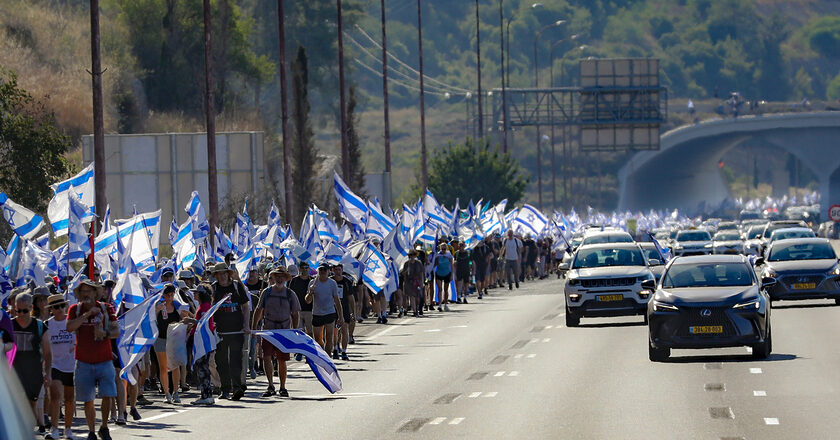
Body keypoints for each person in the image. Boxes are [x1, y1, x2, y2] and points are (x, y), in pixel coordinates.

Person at [66, 279, 119, 440]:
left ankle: (104, 426)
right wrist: (87, 314)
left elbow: (116, 331)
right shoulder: (75, 309)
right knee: (87, 399)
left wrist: (105, 334)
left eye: (89, 291)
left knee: (108, 394)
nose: (86, 294)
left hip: (104, 359)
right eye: (83, 292)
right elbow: (70, 327)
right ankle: (91, 431)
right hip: (83, 361)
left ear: (96, 293)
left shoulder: (106, 308)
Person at [251, 267, 299, 397]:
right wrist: (254, 327)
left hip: (284, 331)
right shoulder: (266, 292)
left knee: (282, 360)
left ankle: (282, 387)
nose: (279, 278)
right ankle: (270, 385)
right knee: (266, 357)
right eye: (277, 276)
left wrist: (294, 330)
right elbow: (258, 309)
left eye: (282, 276)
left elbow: (295, 313)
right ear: (273, 277)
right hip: (268, 330)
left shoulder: (290, 294)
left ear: (285, 278)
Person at [209, 263, 251, 401]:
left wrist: (246, 325)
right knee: (221, 361)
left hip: (236, 330)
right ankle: (225, 388)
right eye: (219, 274)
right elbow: (208, 310)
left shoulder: (237, 287)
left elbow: (245, 307)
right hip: (220, 332)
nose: (222, 276)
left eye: (224, 273)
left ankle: (237, 387)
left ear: (228, 274)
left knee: (235, 360)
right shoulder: (213, 289)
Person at [11, 292, 52, 429]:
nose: (21, 314)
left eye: (25, 310)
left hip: (34, 372)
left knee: (32, 403)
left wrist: (48, 373)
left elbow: (47, 353)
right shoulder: (9, 326)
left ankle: (33, 428)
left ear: (31, 308)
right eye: (18, 310)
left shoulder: (40, 326)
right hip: (14, 372)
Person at [45, 294, 75, 440]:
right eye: (55, 307)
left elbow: (78, 341)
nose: (59, 309)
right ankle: (54, 428)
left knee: (69, 398)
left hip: (70, 365)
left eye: (62, 306)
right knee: (55, 396)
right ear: (51, 309)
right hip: (54, 365)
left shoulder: (71, 323)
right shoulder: (47, 324)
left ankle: (68, 428)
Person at [154, 284, 191, 404]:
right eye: (167, 295)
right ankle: (166, 393)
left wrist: (183, 318)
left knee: (175, 365)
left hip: (174, 339)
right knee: (163, 367)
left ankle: (176, 391)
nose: (169, 297)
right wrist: (157, 310)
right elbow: (151, 320)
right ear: (163, 295)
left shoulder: (177, 306)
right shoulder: (158, 306)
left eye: (171, 295)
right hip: (161, 338)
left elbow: (185, 319)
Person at [305, 263, 343, 354]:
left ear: (328, 271)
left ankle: (328, 357)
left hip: (329, 312)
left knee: (329, 336)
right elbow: (307, 301)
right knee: (317, 338)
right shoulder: (312, 283)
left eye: (324, 270)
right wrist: (310, 293)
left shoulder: (332, 283)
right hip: (317, 313)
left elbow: (337, 300)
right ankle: (322, 354)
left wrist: (341, 316)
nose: (322, 272)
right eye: (320, 270)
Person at [190, 284, 217, 406]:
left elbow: (203, 323)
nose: (194, 294)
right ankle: (207, 394)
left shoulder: (205, 307)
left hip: (203, 340)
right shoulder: (203, 306)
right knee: (203, 367)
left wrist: (190, 321)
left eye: (196, 292)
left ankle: (206, 394)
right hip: (201, 340)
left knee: (202, 367)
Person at [331, 264, 355, 360]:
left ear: (342, 270)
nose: (338, 272)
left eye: (339, 270)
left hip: (344, 308)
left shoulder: (346, 282)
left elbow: (351, 297)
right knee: (334, 330)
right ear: (333, 270)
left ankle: (344, 351)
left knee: (344, 329)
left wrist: (353, 311)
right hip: (332, 309)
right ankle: (335, 348)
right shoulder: (330, 281)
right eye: (336, 270)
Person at [288, 261, 314, 337]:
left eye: (306, 268)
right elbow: (290, 294)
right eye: (303, 268)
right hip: (297, 310)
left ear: (309, 269)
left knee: (310, 332)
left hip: (310, 309)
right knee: (298, 333)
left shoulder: (312, 280)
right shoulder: (294, 280)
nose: (305, 269)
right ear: (299, 269)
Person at [403, 250, 426, 317]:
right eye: (411, 255)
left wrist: (422, 282)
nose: (412, 256)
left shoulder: (418, 263)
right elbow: (403, 273)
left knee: (418, 297)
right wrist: (406, 271)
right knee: (412, 296)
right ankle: (414, 311)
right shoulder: (407, 263)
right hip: (409, 282)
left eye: (414, 255)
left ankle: (418, 307)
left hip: (417, 281)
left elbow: (421, 273)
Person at [433, 243, 454, 311]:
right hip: (439, 273)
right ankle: (439, 304)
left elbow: (451, 265)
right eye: (442, 249)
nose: (443, 250)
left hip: (447, 273)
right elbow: (435, 264)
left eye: (444, 249)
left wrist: (451, 274)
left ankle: (445, 304)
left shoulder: (449, 255)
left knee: (445, 289)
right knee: (440, 289)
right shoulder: (438, 255)